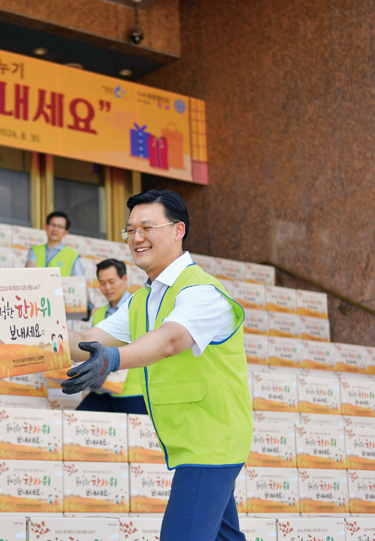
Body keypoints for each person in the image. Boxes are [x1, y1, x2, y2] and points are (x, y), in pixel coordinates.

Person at [61, 190, 252, 541]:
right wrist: (21, 341)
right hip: (192, 443)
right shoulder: (141, 301)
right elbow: (85, 339)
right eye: (130, 230)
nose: (136, 238)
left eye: (147, 228)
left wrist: (113, 359)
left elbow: (170, 340)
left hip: (211, 443)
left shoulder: (202, 292)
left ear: (179, 230)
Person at [75, 259, 145, 415]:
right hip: (103, 389)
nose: (107, 288)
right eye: (102, 283)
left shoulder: (141, 306)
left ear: (125, 279)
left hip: (133, 392)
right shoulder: (99, 313)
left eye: (112, 282)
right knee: (77, 420)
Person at [25, 211, 85, 277]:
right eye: (52, 225)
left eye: (60, 227)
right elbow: (29, 273)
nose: (55, 229)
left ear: (65, 232)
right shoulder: (34, 250)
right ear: (46, 227)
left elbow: (80, 280)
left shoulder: (73, 256)